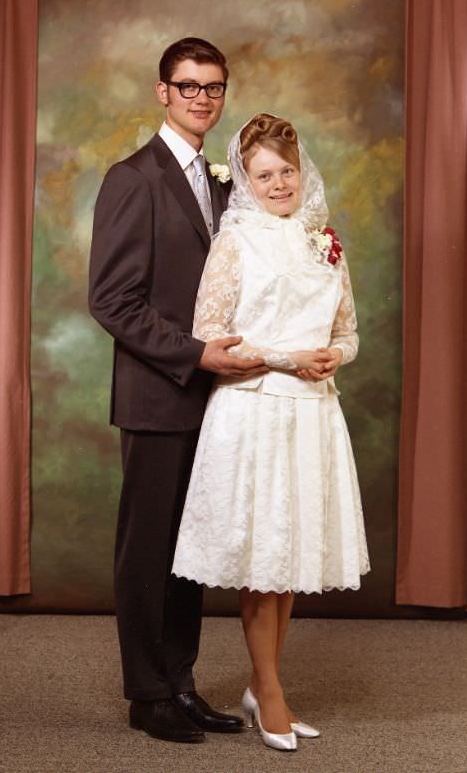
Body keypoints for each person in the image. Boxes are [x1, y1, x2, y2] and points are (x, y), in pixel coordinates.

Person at [172, 113, 370, 751]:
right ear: (246, 182)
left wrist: (334, 356)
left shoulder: (324, 239)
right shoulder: (235, 245)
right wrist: (286, 358)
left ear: (301, 171)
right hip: (255, 409)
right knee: (263, 561)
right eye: (264, 174)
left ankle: (265, 683)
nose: (279, 183)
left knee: (289, 561)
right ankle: (271, 692)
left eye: (287, 171)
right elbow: (210, 335)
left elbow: (348, 333)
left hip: (312, 410)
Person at [88, 38, 266, 744]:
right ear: (163, 91)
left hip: (214, 400)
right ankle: (146, 692)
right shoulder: (132, 178)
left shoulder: (226, 183)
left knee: (191, 550)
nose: (201, 97)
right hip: (159, 394)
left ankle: (181, 681)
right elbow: (113, 300)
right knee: (147, 548)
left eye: (213, 87)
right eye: (188, 85)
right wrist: (195, 355)